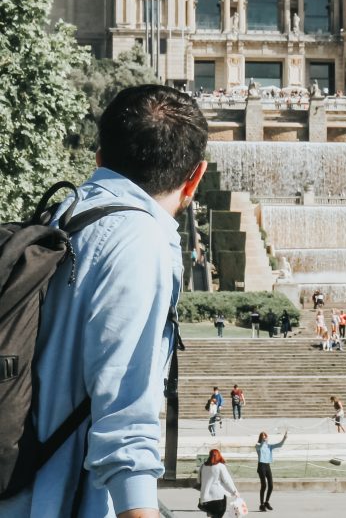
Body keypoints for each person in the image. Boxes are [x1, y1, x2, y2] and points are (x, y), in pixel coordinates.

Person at [4, 84, 208, 518]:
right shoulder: (142, 242)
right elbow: (126, 419)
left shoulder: (63, 214)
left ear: (99, 157)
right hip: (62, 502)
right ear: (196, 176)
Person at [198, 449, 239, 518]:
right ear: (219, 455)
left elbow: (199, 480)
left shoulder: (203, 466)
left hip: (206, 497)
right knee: (218, 516)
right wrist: (235, 491)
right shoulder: (220, 466)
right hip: (218, 496)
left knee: (213, 516)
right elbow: (227, 481)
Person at [255, 429, 287, 512]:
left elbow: (279, 445)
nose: (265, 438)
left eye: (265, 436)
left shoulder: (269, 446)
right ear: (261, 438)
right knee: (264, 485)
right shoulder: (257, 445)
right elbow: (260, 446)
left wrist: (284, 438)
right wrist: (262, 441)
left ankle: (266, 502)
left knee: (271, 485)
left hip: (267, 465)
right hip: (261, 466)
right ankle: (261, 505)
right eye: (263, 437)